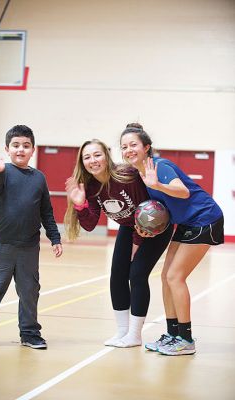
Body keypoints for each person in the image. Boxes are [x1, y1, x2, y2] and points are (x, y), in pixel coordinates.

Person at [120, 122, 224, 355]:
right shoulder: (140, 173)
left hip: (205, 218)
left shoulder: (159, 166)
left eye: (133, 144)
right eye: (124, 147)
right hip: (187, 222)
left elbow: (182, 192)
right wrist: (148, 228)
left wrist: (157, 184)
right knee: (166, 278)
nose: (128, 150)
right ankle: (173, 334)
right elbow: (163, 208)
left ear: (146, 147)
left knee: (175, 277)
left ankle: (186, 340)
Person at [64, 139, 173, 348]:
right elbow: (89, 224)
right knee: (117, 276)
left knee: (137, 274)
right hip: (129, 226)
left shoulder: (127, 175)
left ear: (106, 155)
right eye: (87, 157)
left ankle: (135, 334)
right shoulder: (91, 186)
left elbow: (147, 209)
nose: (93, 160)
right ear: (82, 162)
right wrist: (80, 205)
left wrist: (137, 245)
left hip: (154, 227)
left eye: (97, 155)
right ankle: (122, 332)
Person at [0, 125, 63, 350]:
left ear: (32, 150)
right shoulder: (3, 172)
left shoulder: (39, 178)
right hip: (0, 245)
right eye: (16, 145)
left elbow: (46, 212)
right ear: (7, 149)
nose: (21, 149)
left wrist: (55, 237)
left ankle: (30, 333)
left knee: (29, 291)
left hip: (28, 247)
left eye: (26, 145)